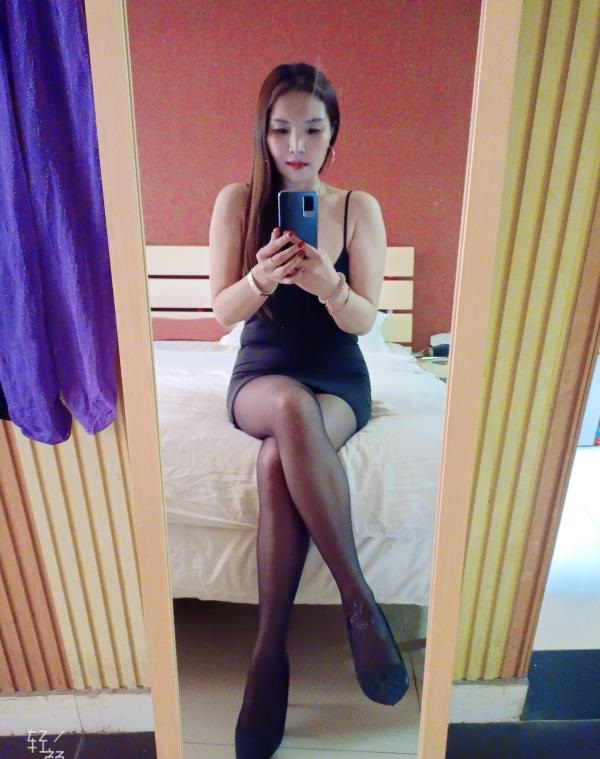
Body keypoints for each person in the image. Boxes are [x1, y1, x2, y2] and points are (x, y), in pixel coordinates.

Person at [209, 62, 409, 759]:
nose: (297, 144)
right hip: (262, 376)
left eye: (313, 129)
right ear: (263, 133)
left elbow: (364, 320)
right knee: (288, 409)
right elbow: (221, 311)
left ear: (333, 133)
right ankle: (361, 604)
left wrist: (329, 284)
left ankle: (268, 657)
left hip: (337, 380)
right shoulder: (238, 202)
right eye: (281, 129)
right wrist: (261, 276)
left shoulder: (358, 208)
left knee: (277, 459)